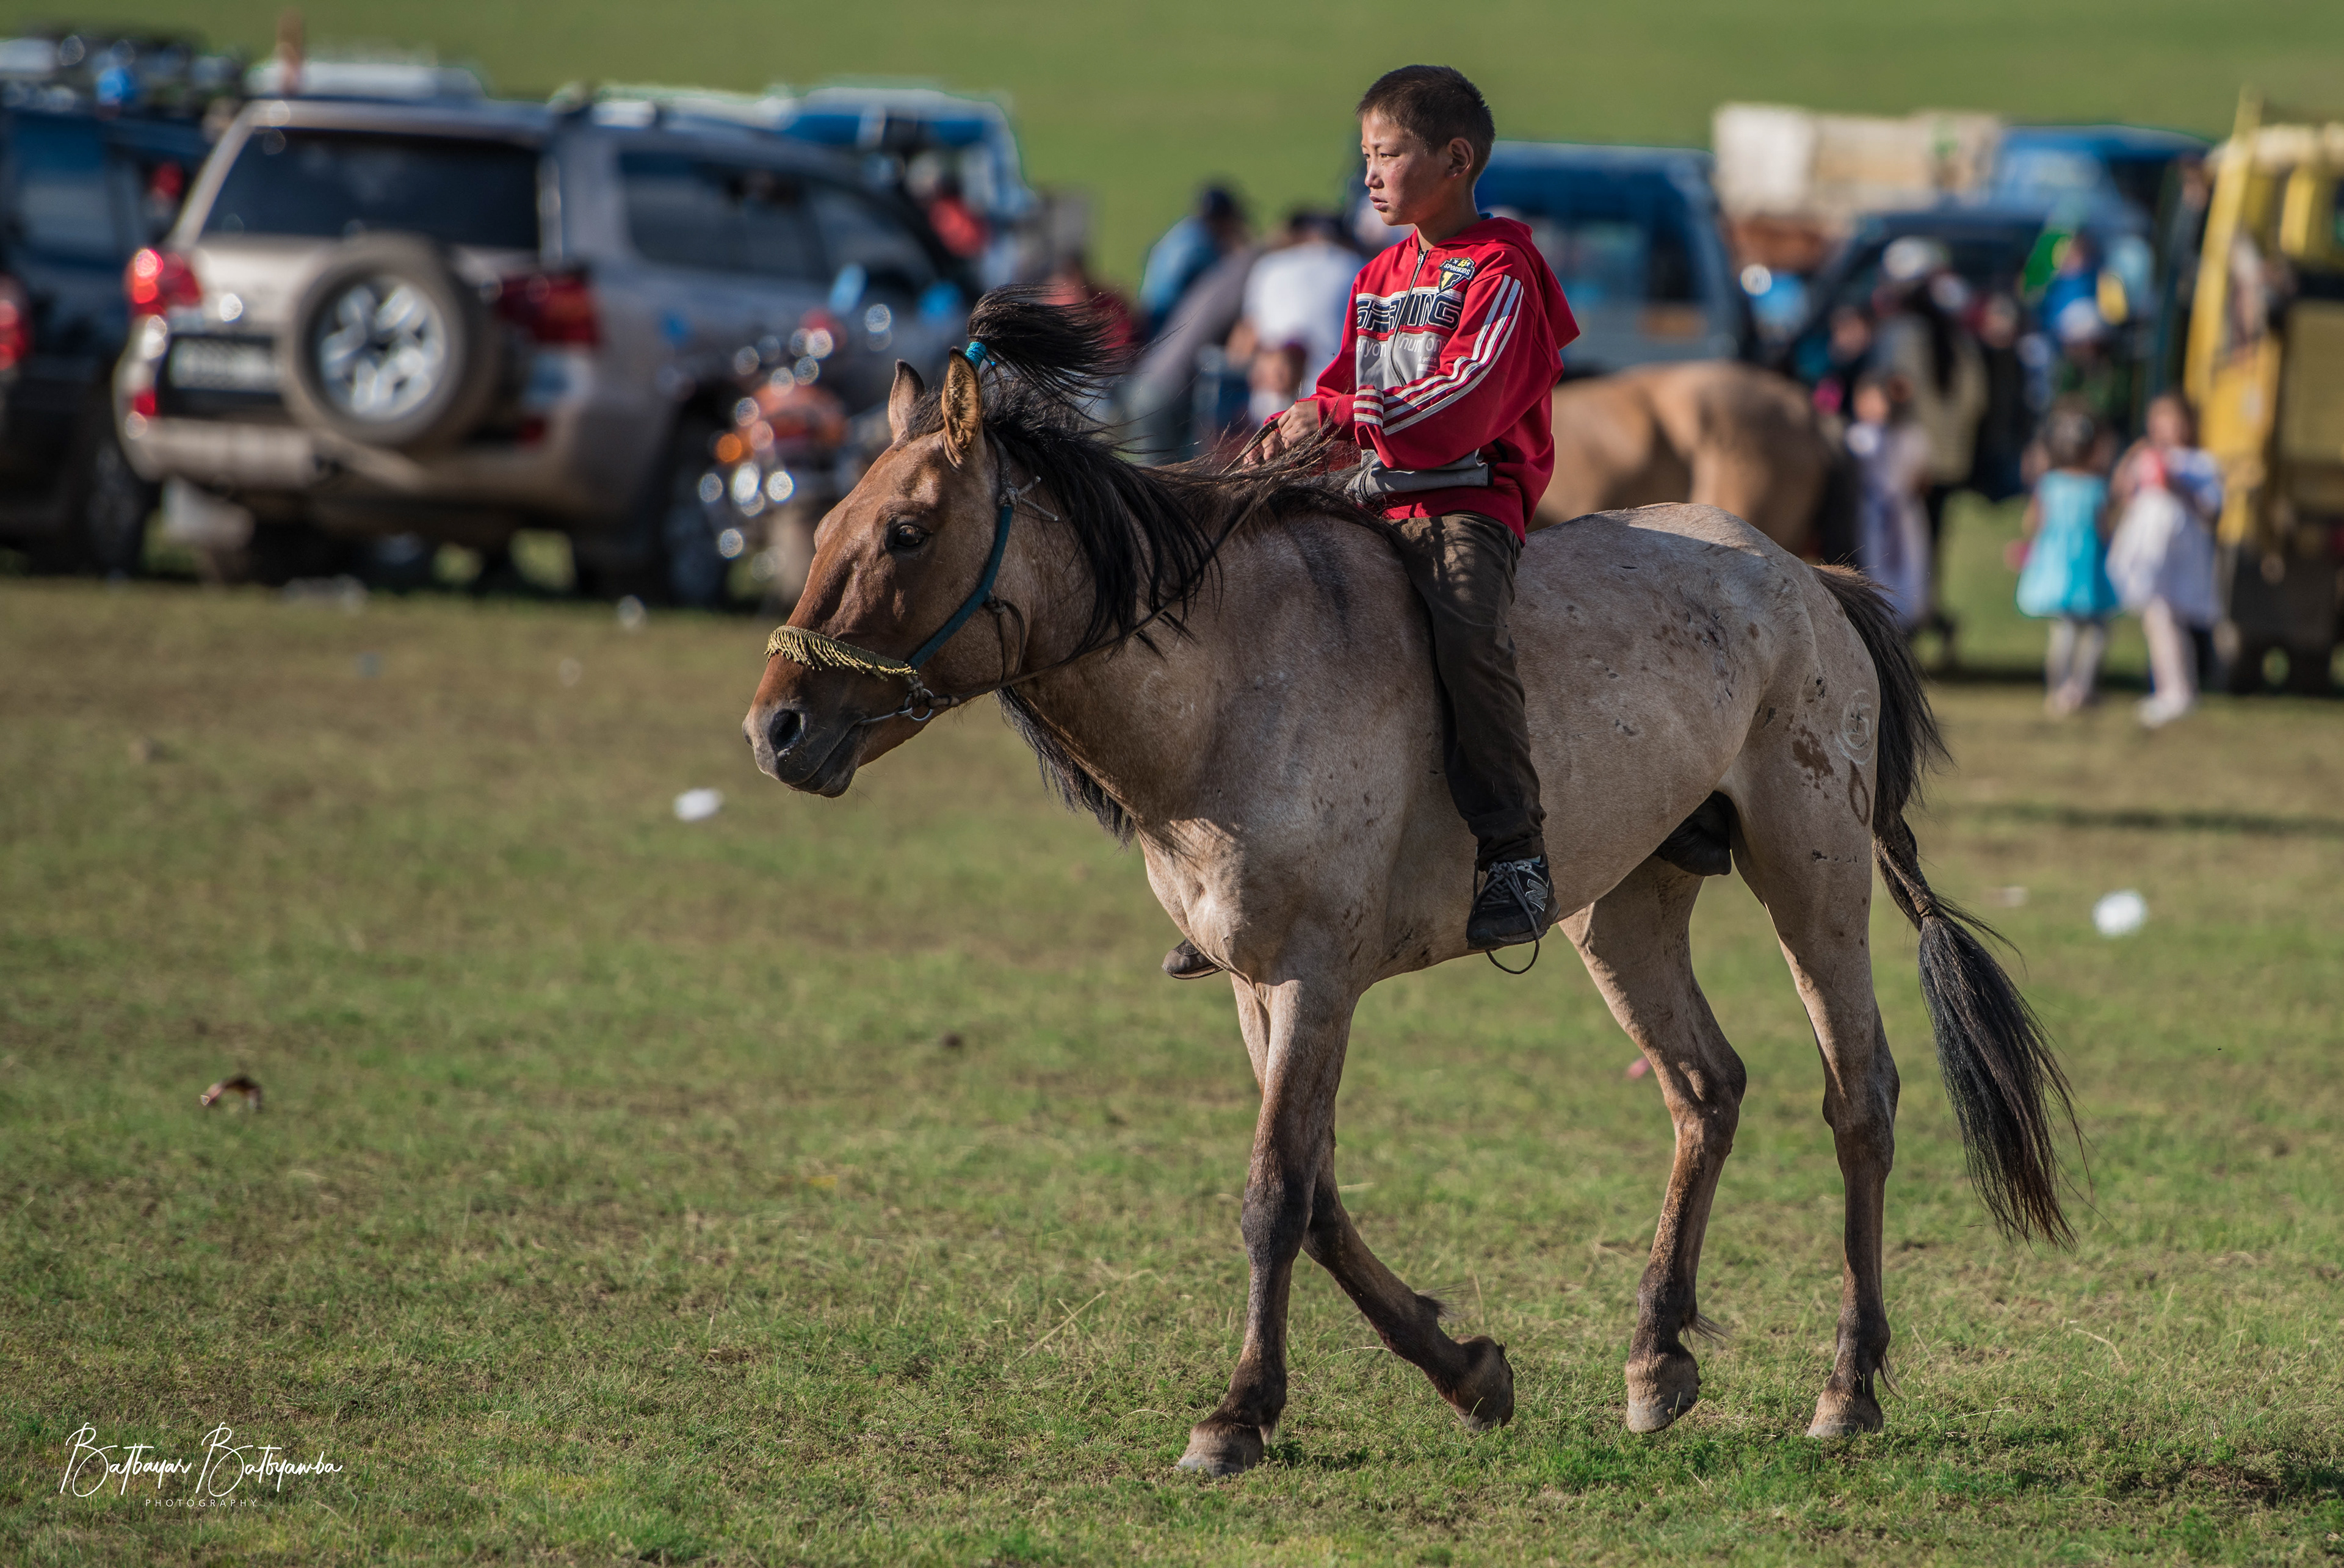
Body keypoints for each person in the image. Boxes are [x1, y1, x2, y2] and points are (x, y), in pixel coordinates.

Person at [1166, 63, 1577, 978]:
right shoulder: (1381, 274)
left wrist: (1341, 418)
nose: (1370, 174)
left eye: (1387, 154)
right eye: (1366, 157)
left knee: (1470, 636)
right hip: (1374, 493)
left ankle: (1514, 854)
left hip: (1465, 500)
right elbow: (1342, 386)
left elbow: (1464, 401)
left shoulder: (1506, 269)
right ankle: (1244, 871)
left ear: (1456, 158)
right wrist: (1287, 438)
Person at [2107, 393, 2223, 727]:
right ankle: (2174, 690)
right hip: (2149, 552)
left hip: (2181, 554)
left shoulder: (2200, 463)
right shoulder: (2145, 456)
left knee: (2169, 620)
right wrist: (2132, 465)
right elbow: (2124, 495)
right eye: (2159, 418)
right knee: (2157, 618)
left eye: (2174, 419)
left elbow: (2211, 509)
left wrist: (2176, 485)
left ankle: (2178, 691)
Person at [2015, 404, 2121, 716]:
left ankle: (2059, 690)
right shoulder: (2097, 488)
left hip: (2058, 572)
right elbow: (2106, 530)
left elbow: (2032, 524)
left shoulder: (2049, 485)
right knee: (2095, 633)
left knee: (2063, 633)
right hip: (2088, 571)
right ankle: (2081, 689)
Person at [1237, 211, 1360, 425]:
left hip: (1271, 412)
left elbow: (1243, 345)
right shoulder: (1357, 267)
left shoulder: (1269, 266)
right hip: (1337, 410)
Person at [1845, 374, 1931, 631]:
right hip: (1873, 512)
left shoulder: (1914, 437)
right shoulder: (1859, 437)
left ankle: (1906, 619)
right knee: (1874, 562)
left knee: (1909, 567)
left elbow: (1922, 479)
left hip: (1902, 514)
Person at [1137, 186, 1249, 336]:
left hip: (1150, 317)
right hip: (1167, 328)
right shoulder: (1202, 247)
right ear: (1221, 218)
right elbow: (1229, 282)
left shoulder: (1183, 230)